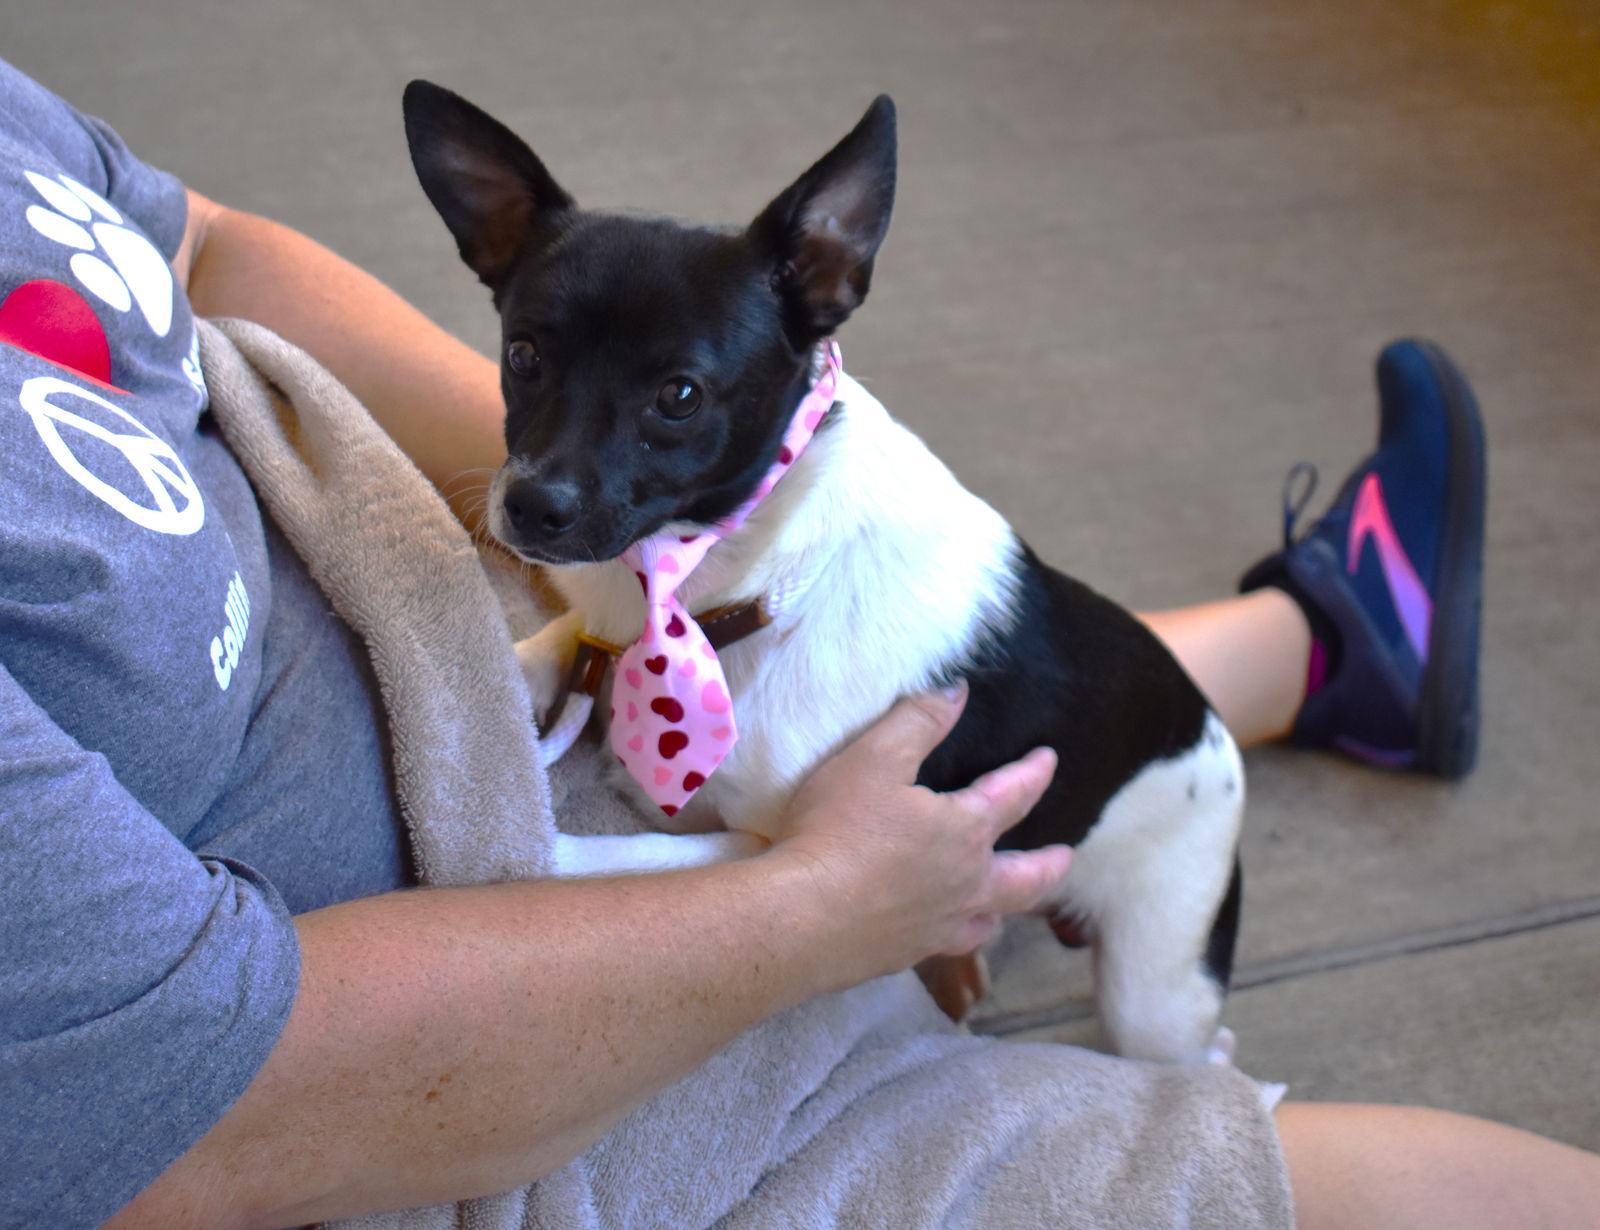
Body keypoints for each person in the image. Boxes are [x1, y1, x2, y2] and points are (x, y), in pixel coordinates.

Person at [1, 57, 1595, 1230]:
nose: (556, 462)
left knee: (1009, 774)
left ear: (830, 284)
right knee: (1240, 1161)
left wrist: (582, 564)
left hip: (458, 623)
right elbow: (204, 1105)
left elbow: (192, 242)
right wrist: (836, 901)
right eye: (537, 367)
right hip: (469, 1017)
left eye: (670, 397)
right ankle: (1324, 640)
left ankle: (1312, 645)